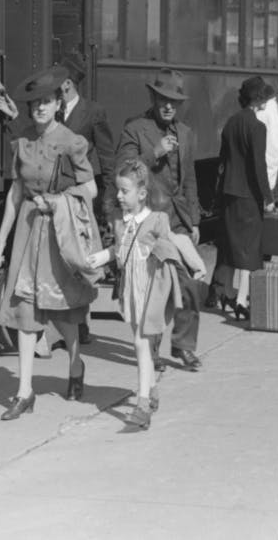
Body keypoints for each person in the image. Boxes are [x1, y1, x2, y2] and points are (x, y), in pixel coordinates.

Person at [0, 66, 102, 420]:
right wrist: (2, 239)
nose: (39, 108)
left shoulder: (72, 142)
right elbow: (15, 193)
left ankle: (75, 364)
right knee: (26, 309)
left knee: (64, 312)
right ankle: (24, 392)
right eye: (34, 103)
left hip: (58, 236)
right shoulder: (22, 141)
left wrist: (57, 201)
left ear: (58, 104)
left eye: (46, 102)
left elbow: (91, 189)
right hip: (27, 232)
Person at [87, 159, 205, 429]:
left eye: (124, 191)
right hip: (130, 290)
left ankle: (141, 406)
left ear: (141, 194)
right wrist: (100, 257)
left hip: (150, 289)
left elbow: (177, 242)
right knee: (140, 343)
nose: (119, 196)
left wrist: (196, 265)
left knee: (141, 344)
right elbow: (120, 250)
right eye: (118, 190)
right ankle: (151, 391)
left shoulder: (157, 221)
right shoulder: (120, 221)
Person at [115, 68, 204, 370]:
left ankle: (184, 345)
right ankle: (150, 350)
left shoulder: (187, 134)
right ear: (153, 97)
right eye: (164, 99)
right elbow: (123, 171)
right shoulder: (135, 128)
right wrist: (154, 152)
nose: (169, 106)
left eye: (175, 102)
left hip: (178, 221)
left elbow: (189, 179)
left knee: (190, 282)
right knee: (156, 288)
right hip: (149, 222)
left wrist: (194, 221)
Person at [55, 53, 115, 345]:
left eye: (60, 83)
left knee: (79, 259)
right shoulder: (51, 110)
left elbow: (106, 154)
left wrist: (110, 196)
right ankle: (60, 321)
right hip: (54, 194)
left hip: (80, 193)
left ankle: (82, 325)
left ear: (68, 84)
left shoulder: (93, 112)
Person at [212, 76, 276, 319]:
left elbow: (223, 161)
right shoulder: (257, 127)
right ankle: (241, 301)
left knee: (231, 246)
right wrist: (268, 198)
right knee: (250, 250)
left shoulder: (230, 123)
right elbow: (258, 166)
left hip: (230, 193)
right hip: (249, 197)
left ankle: (226, 293)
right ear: (259, 100)